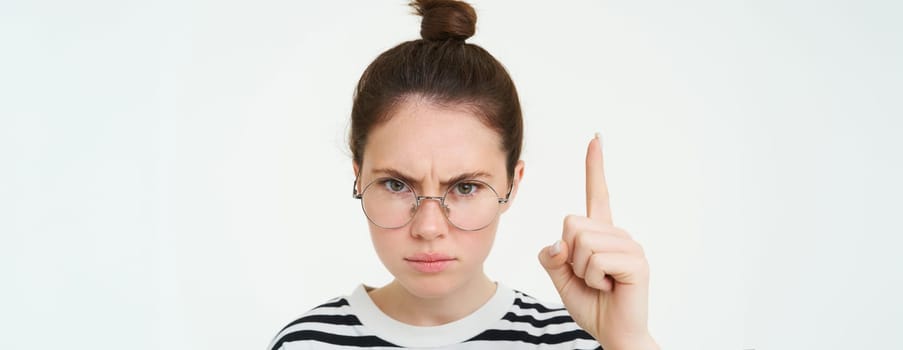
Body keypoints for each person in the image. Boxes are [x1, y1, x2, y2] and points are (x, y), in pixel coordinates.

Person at [268, 0, 658, 349]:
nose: (429, 227)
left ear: (512, 184)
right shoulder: (305, 343)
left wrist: (628, 340)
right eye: (396, 184)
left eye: (466, 187)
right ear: (358, 178)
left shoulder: (578, 342)